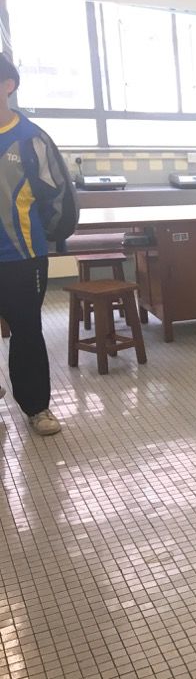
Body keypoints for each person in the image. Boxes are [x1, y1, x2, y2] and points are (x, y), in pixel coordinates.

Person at [0, 54, 77, 436]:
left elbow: (57, 194)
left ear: (8, 85)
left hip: (22, 257)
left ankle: (36, 408)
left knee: (26, 331)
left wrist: (41, 235)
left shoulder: (31, 139)